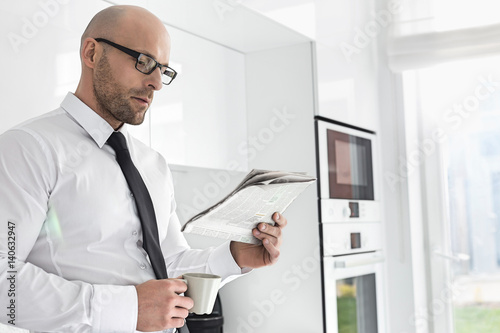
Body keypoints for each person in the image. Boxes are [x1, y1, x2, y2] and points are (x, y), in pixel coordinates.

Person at [0, 5, 287, 333]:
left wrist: (234, 257)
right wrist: (127, 308)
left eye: (163, 70)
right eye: (144, 62)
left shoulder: (153, 165)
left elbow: (168, 263)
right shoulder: (27, 148)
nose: (156, 83)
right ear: (92, 53)